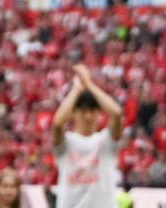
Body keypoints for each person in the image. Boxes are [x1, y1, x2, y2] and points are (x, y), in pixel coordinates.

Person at [52, 64, 124, 208]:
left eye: (93, 111)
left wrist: (89, 83)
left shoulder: (106, 141)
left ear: (99, 113)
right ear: (73, 113)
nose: (88, 116)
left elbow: (116, 113)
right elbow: (57, 123)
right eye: (83, 111)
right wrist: (76, 89)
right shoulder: (66, 142)